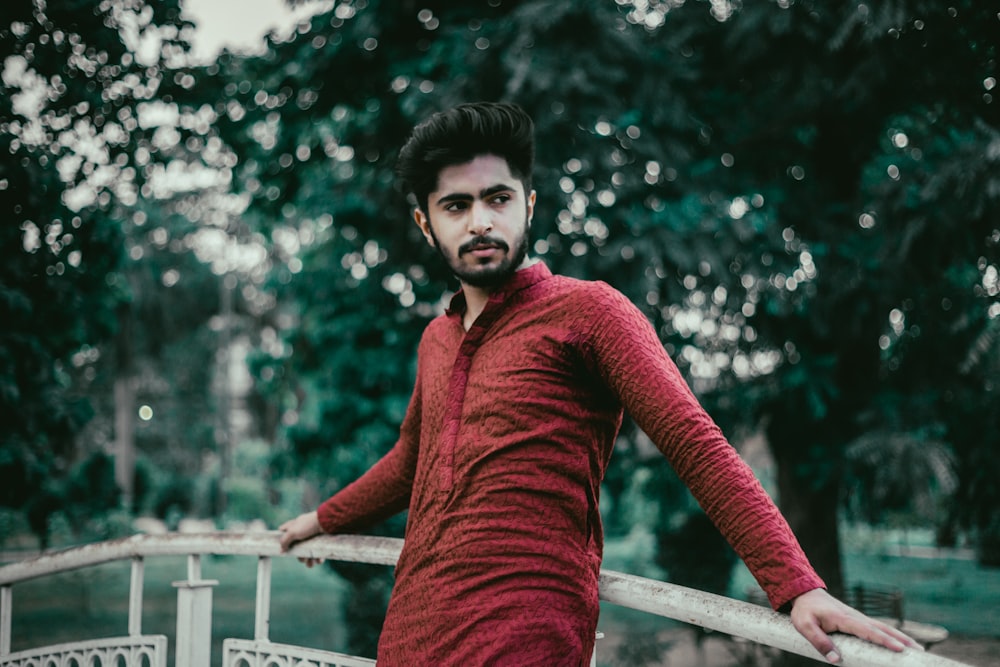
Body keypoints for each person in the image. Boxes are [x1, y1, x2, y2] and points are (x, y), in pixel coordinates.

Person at [278, 102, 920, 666]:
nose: (480, 221)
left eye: (497, 199)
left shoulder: (590, 312)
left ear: (527, 204)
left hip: (525, 641)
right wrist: (320, 519)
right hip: (411, 637)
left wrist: (796, 585)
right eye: (456, 205)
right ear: (426, 224)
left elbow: (695, 444)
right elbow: (408, 463)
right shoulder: (436, 339)